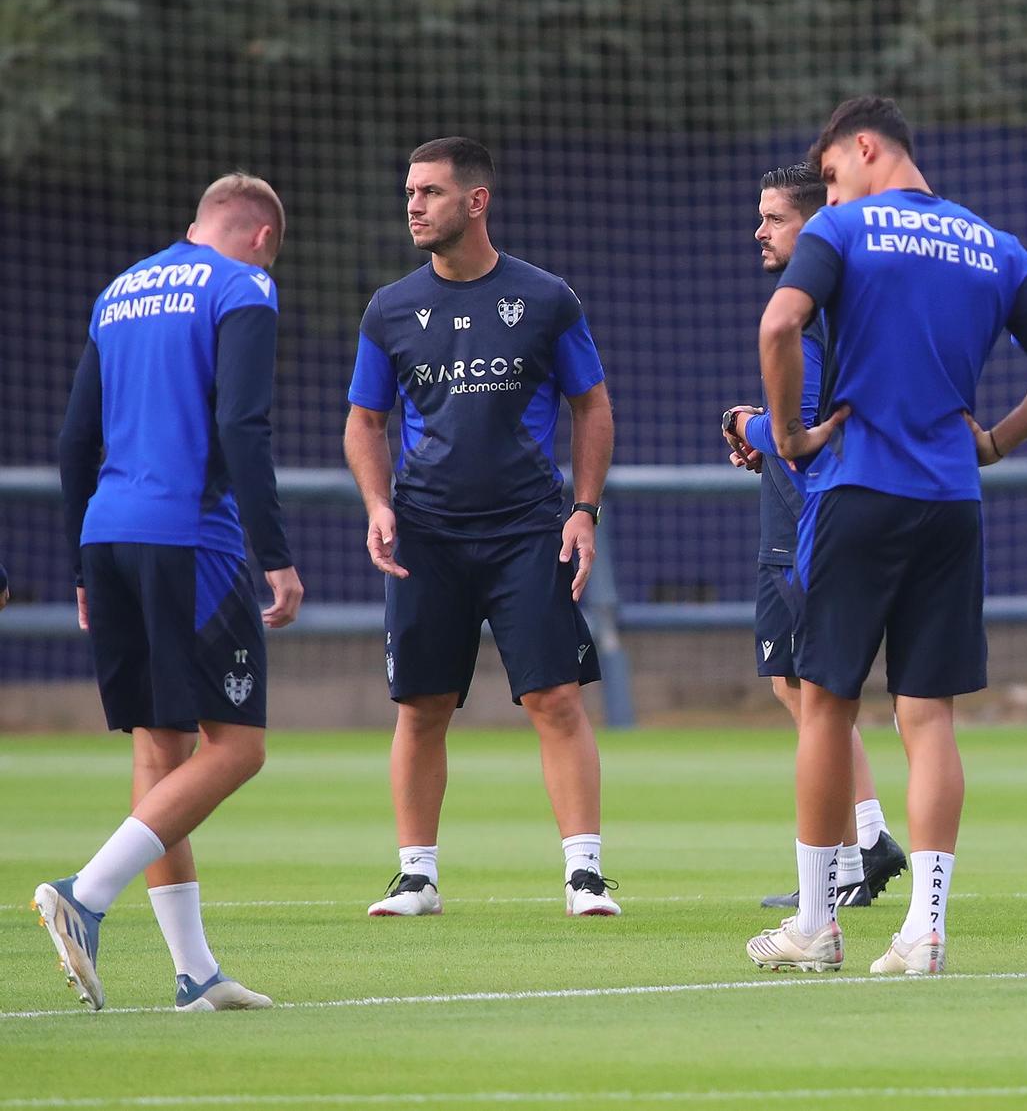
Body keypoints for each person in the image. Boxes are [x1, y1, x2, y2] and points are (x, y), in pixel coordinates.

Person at [747, 96, 1027, 975]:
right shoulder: (992, 243)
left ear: (866, 148)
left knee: (827, 702)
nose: (828, 195)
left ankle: (818, 925)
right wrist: (998, 440)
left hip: (861, 490)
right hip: (951, 499)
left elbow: (779, 324)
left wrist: (788, 436)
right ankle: (926, 929)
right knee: (929, 715)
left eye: (830, 174)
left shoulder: (843, 232)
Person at [38, 173, 304, 1011]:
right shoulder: (245, 285)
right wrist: (276, 554)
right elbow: (242, 424)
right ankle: (85, 894)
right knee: (240, 746)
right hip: (192, 540)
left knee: (161, 752)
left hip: (108, 534)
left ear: (197, 225)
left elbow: (75, 439)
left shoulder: (120, 292)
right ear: (262, 236)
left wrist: (82, 568)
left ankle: (194, 974)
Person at [344, 137, 620, 919]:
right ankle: (416, 877)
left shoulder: (544, 298)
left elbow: (591, 404)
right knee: (422, 706)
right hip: (426, 534)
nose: (413, 206)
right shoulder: (389, 308)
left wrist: (584, 509)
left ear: (476, 201)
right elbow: (364, 423)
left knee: (556, 699)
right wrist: (377, 503)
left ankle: (585, 875)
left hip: (530, 530)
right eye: (409, 192)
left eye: (429, 192)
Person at [721, 163, 906, 909]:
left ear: (814, 221)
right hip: (797, 518)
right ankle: (865, 840)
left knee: (818, 697)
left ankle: (851, 855)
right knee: (793, 687)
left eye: (773, 217)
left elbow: (800, 431)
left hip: (807, 524)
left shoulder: (808, 305)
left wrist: (745, 425)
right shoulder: (839, 300)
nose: (759, 231)